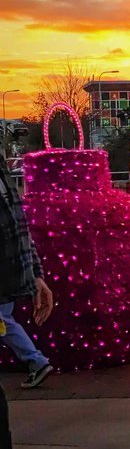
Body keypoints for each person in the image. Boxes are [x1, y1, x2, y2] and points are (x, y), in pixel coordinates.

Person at [0, 155, 53, 388]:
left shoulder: (5, 181)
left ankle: (36, 360)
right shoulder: (5, 181)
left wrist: (35, 275)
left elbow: (19, 230)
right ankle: (35, 360)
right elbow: (20, 231)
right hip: (8, 275)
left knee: (4, 320)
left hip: (6, 276)